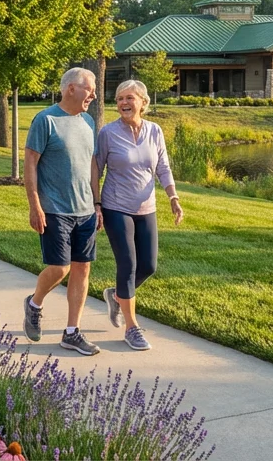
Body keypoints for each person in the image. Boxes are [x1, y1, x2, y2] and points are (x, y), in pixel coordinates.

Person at [93, 79, 183, 351]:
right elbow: (96, 169)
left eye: (129, 98)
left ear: (143, 102)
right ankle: (132, 328)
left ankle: (117, 295)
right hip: (116, 206)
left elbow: (163, 167)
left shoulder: (155, 131)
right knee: (128, 264)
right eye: (120, 98)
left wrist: (173, 197)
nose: (123, 103)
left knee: (149, 266)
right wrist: (97, 204)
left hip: (147, 207)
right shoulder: (108, 133)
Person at [22, 67, 100, 356]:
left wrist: (97, 204)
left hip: (85, 210)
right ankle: (34, 303)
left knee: (82, 268)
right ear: (71, 89)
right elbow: (30, 163)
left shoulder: (88, 121)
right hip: (55, 208)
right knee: (60, 268)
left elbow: (91, 164)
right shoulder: (45, 120)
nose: (93, 95)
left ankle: (71, 332)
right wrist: (35, 205)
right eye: (89, 89)